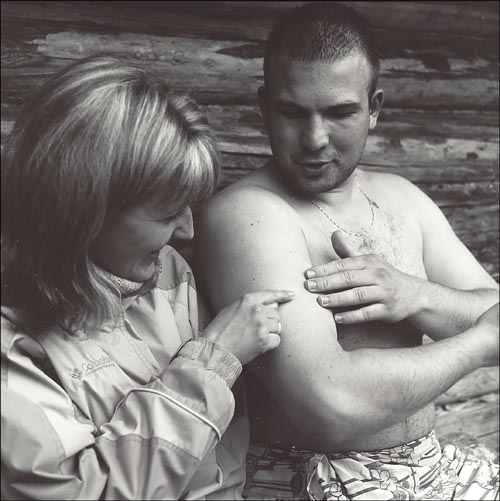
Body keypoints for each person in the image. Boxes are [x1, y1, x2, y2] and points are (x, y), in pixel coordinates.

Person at [194, 3, 500, 500]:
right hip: (315, 482)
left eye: (340, 113)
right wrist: (480, 344)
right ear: (264, 106)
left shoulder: (403, 198)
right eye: (293, 113)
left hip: (431, 468)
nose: (315, 139)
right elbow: (329, 403)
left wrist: (415, 296)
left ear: (374, 108)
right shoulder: (249, 215)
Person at [0, 55, 295, 500]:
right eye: (166, 212)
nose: (188, 230)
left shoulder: (169, 273)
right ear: (86, 210)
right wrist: (211, 364)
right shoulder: (14, 348)